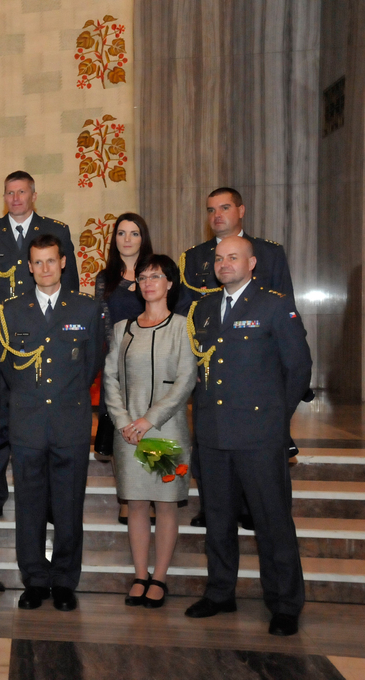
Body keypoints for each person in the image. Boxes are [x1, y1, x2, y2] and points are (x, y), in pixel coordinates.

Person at [183, 236, 311, 637]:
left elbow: (299, 368)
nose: (224, 264)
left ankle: (285, 603)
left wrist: (276, 420)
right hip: (213, 434)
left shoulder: (273, 304)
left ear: (251, 262)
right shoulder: (202, 309)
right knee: (218, 520)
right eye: (219, 258)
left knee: (272, 522)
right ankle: (221, 592)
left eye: (233, 257)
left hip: (259, 435)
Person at [0, 234, 103, 612]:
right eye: (37, 262)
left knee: (70, 505)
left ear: (64, 263)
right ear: (28, 266)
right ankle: (35, 580)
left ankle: (64, 581)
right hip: (27, 424)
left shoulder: (85, 309)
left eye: (51, 261)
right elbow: (6, 369)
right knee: (30, 506)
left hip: (69, 423)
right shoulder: (10, 311)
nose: (44, 269)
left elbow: (91, 366)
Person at [180, 188, 295, 528]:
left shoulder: (269, 253)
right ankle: (215, 505)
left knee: (268, 507)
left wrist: (280, 409)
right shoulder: (197, 256)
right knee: (214, 464)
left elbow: (286, 318)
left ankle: (250, 507)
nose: (217, 215)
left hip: (257, 384)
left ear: (241, 210)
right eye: (211, 209)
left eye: (225, 207)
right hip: (214, 381)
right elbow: (188, 315)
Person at [0, 170, 80, 525]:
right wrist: (3, 324)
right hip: (4, 341)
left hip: (47, 340)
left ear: (34, 194)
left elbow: (72, 286)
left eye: (21, 192)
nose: (15, 198)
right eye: (9, 193)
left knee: (45, 420)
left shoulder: (56, 230)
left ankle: (48, 500)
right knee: (1, 417)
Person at [101, 255, 196, 609]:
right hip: (128, 433)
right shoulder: (122, 328)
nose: (148, 283)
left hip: (163, 432)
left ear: (170, 283)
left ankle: (160, 577)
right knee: (137, 503)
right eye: (142, 277)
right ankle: (140, 575)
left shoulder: (182, 327)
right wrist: (124, 419)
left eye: (156, 276)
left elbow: (185, 381)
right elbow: (110, 377)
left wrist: (148, 421)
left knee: (166, 504)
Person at [94, 213, 154, 526]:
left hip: (152, 366)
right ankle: (128, 498)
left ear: (143, 238)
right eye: (121, 233)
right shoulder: (105, 279)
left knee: (151, 429)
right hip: (116, 365)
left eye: (134, 233)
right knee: (122, 433)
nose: (127, 239)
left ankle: (153, 494)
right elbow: (103, 325)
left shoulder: (154, 273)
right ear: (114, 239)